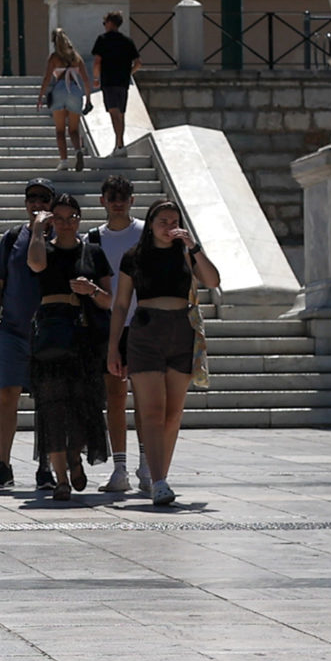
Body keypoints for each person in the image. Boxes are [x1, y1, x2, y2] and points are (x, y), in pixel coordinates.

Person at [107, 198, 222, 506]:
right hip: (146, 331)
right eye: (163, 221)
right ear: (151, 224)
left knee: (173, 413)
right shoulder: (134, 256)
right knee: (152, 411)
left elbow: (212, 280)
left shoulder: (185, 254)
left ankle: (161, 477)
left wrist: (194, 247)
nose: (169, 227)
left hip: (180, 331)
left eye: (174, 221)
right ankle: (158, 480)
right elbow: (120, 305)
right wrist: (113, 348)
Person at [26, 189, 113, 503]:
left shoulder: (93, 252)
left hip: (83, 334)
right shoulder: (43, 249)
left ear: (79, 219)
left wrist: (90, 290)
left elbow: (108, 300)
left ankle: (75, 458)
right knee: (51, 410)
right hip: (50, 332)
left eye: (70, 218)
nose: (65, 224)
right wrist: (38, 228)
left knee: (81, 406)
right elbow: (35, 265)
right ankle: (60, 478)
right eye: (58, 218)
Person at [0, 180, 57, 491]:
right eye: (31, 198)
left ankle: (45, 466)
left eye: (43, 198)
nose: (36, 203)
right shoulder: (13, 237)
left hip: (48, 332)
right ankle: (4, 465)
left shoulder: (61, 238)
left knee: (48, 401)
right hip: (13, 329)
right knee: (6, 396)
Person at [89, 173, 145, 495]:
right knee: (115, 398)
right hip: (109, 327)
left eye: (123, 195)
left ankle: (147, 467)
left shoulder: (145, 234)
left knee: (145, 398)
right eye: (112, 195)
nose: (118, 201)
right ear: (103, 201)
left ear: (132, 200)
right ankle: (120, 469)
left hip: (143, 325)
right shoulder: (93, 238)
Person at [90, 11, 140, 157]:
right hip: (123, 82)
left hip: (109, 81)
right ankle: (120, 145)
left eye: (105, 23)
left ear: (110, 23)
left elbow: (97, 61)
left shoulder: (103, 39)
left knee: (114, 113)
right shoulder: (127, 41)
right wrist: (128, 73)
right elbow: (138, 63)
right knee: (121, 114)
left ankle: (119, 145)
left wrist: (95, 78)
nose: (104, 25)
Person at [41, 28, 91, 172]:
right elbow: (86, 81)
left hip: (59, 91)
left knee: (60, 130)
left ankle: (64, 161)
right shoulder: (76, 58)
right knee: (74, 130)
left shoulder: (54, 58)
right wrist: (88, 99)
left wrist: (41, 96)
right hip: (75, 91)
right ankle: (77, 151)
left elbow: (47, 79)